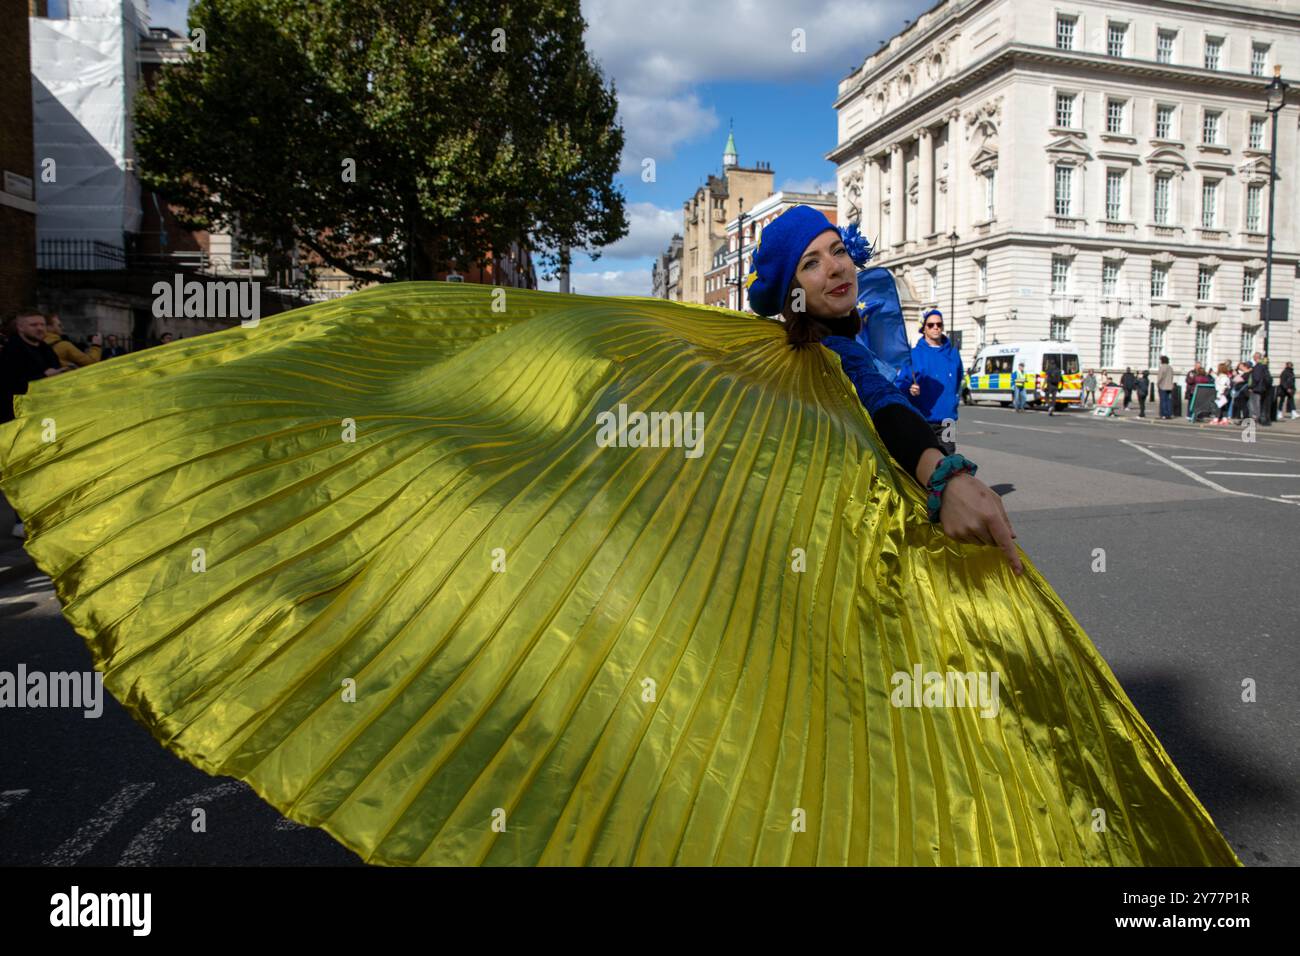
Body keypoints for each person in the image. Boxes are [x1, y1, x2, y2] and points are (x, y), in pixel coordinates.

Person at [0, 205, 1243, 866]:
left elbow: (888, 414)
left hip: (854, 595)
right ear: (778, 282)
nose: (836, 269)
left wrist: (944, 468)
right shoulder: (741, 360)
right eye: (813, 259)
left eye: (839, 254)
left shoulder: (859, 360)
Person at [1, 307, 68, 537]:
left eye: (41, 324)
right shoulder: (12, 351)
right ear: (20, 327)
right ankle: (21, 521)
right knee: (25, 472)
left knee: (46, 470)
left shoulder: (47, 350)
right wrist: (43, 378)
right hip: (18, 421)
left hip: (46, 420)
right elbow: (10, 385)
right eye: (33, 325)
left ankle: (43, 516)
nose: (39, 328)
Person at [901, 307, 964, 455]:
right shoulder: (914, 355)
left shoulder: (953, 354)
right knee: (925, 462)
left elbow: (958, 380)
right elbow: (901, 384)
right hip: (923, 419)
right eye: (931, 325)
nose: (936, 327)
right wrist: (909, 390)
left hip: (947, 420)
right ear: (924, 329)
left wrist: (953, 402)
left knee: (948, 461)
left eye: (939, 324)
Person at [1250, 352, 1272, 426]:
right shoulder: (1264, 365)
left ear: (1256, 357)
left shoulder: (1258, 366)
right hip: (1263, 388)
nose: (1253, 358)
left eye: (1254, 357)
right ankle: (1260, 418)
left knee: (1255, 404)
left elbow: (1256, 378)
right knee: (1260, 404)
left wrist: (1251, 386)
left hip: (1257, 388)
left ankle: (1257, 419)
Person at [1156, 355, 1174, 419]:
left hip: (1163, 386)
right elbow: (1172, 377)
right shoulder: (1170, 368)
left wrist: (1157, 384)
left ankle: (1163, 414)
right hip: (1169, 386)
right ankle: (1169, 414)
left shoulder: (1162, 367)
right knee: (1168, 401)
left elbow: (1160, 377)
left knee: (1163, 401)